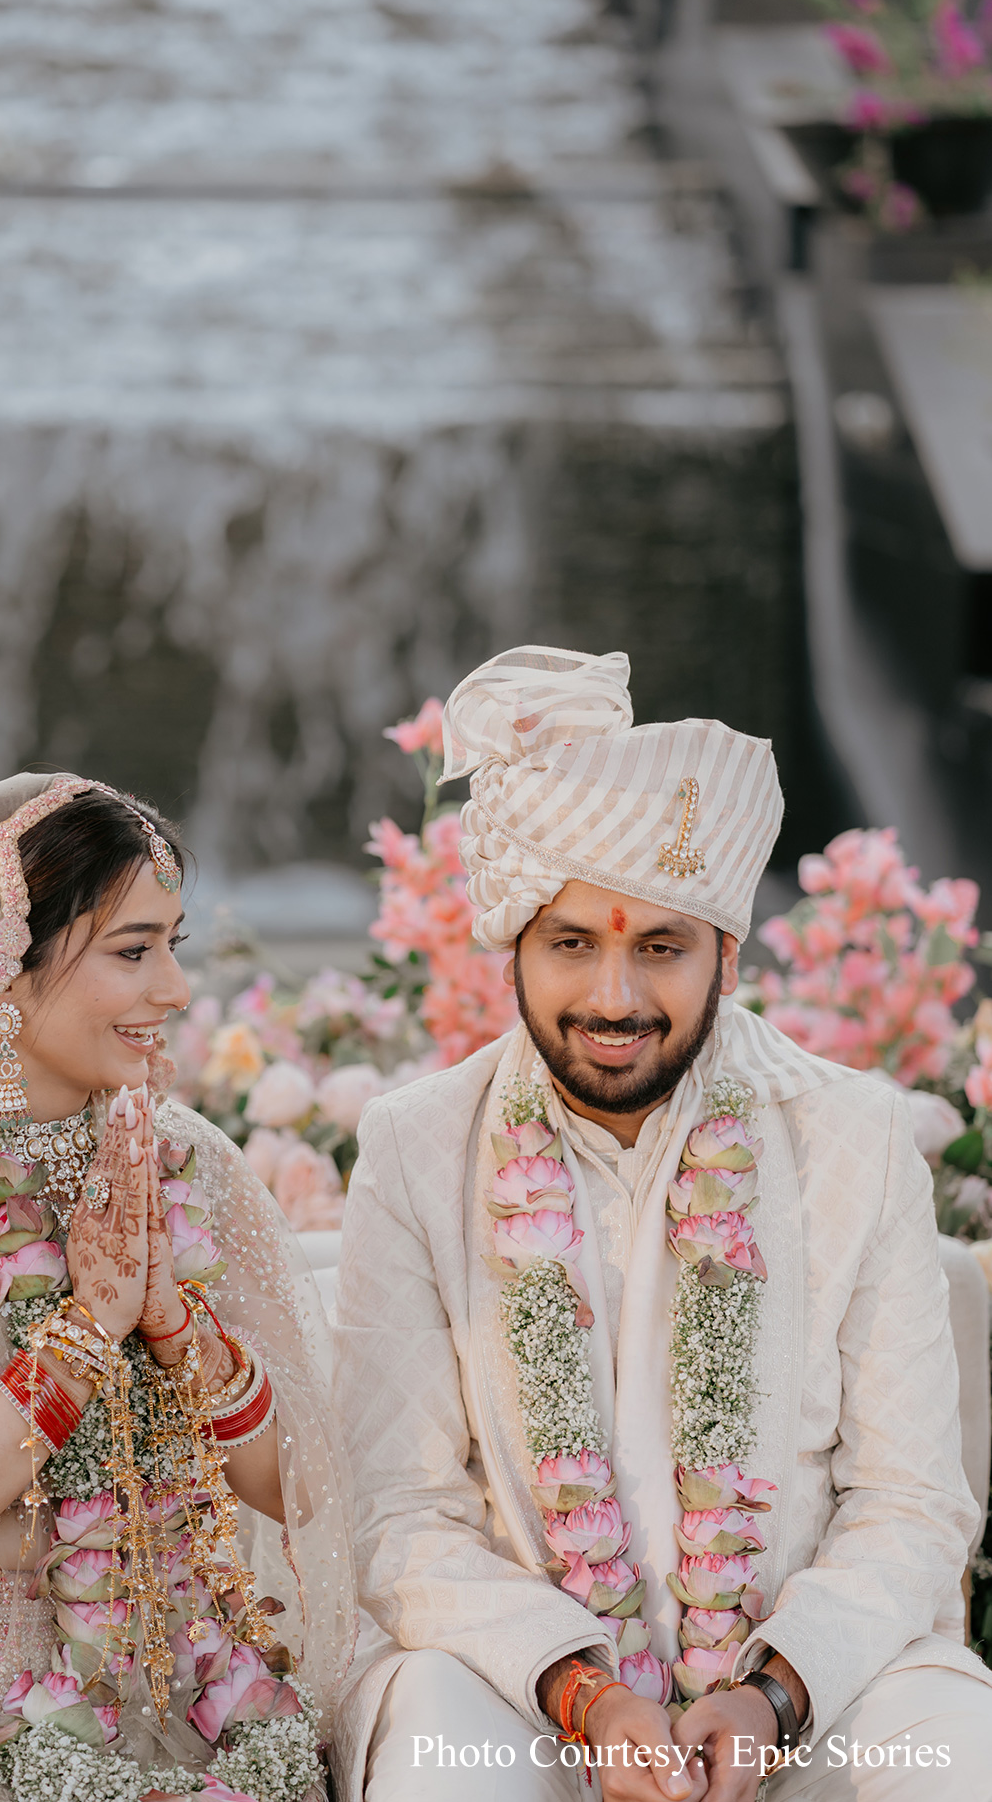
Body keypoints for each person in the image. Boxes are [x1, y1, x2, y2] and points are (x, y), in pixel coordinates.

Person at [333, 647, 992, 1802]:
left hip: (809, 1684)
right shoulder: (414, 1147)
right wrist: (582, 1693)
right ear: (514, 951)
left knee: (947, 1754)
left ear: (725, 952)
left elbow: (910, 1501)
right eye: (572, 943)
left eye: (659, 947)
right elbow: (402, 1515)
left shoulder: (853, 1136)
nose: (613, 1000)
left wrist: (770, 1693)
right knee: (439, 1763)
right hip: (523, 1687)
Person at [0, 773, 354, 1802]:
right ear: (3, 966)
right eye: (133, 951)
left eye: (174, 944)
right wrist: (88, 1331)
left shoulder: (191, 1163)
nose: (174, 990)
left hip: (185, 1684)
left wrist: (176, 1325)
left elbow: (303, 1488)